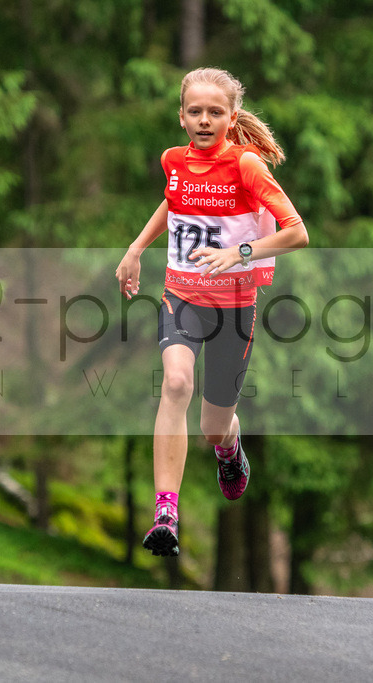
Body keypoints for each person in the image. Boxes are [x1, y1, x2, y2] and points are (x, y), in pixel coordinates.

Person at [115, 67, 309, 557]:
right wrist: (135, 249)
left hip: (235, 308)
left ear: (232, 117)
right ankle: (166, 511)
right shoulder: (173, 161)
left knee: (212, 427)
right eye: (195, 112)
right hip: (180, 296)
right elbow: (173, 203)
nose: (205, 120)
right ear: (181, 117)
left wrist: (238, 254)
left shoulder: (246, 166)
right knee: (176, 383)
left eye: (215, 112)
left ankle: (229, 448)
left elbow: (297, 232)